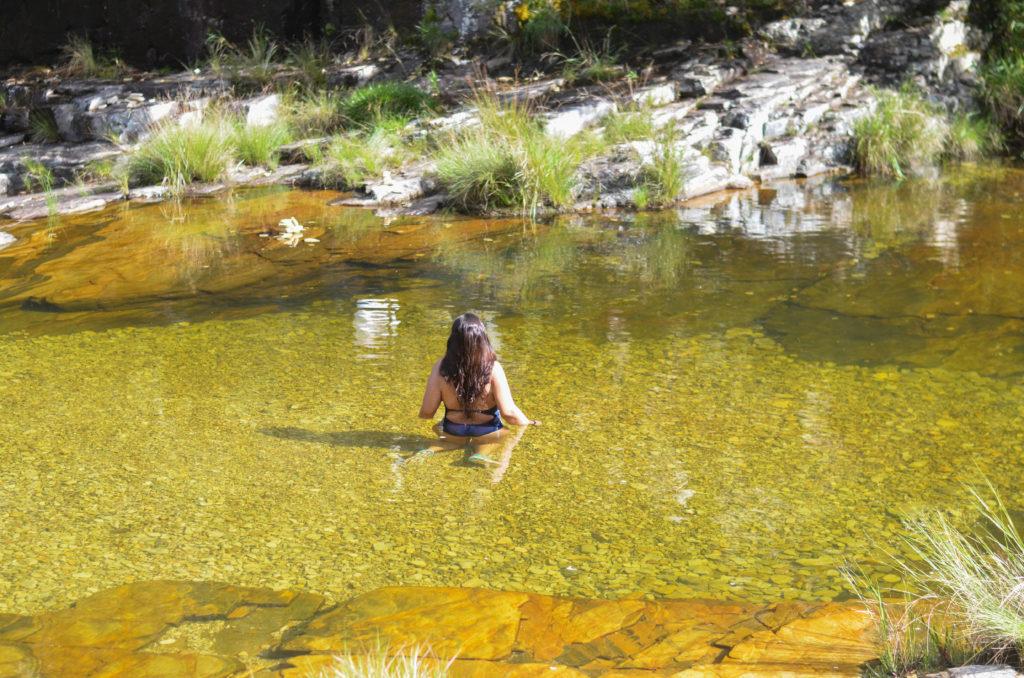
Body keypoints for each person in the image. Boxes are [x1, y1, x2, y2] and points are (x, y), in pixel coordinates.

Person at [418, 313, 538, 464]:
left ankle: (431, 450)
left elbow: (427, 412)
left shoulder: (441, 367)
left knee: (446, 434)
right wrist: (529, 423)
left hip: (454, 428)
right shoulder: (493, 368)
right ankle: (481, 454)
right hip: (486, 429)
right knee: (503, 433)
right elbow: (509, 413)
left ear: (453, 340)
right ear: (482, 339)